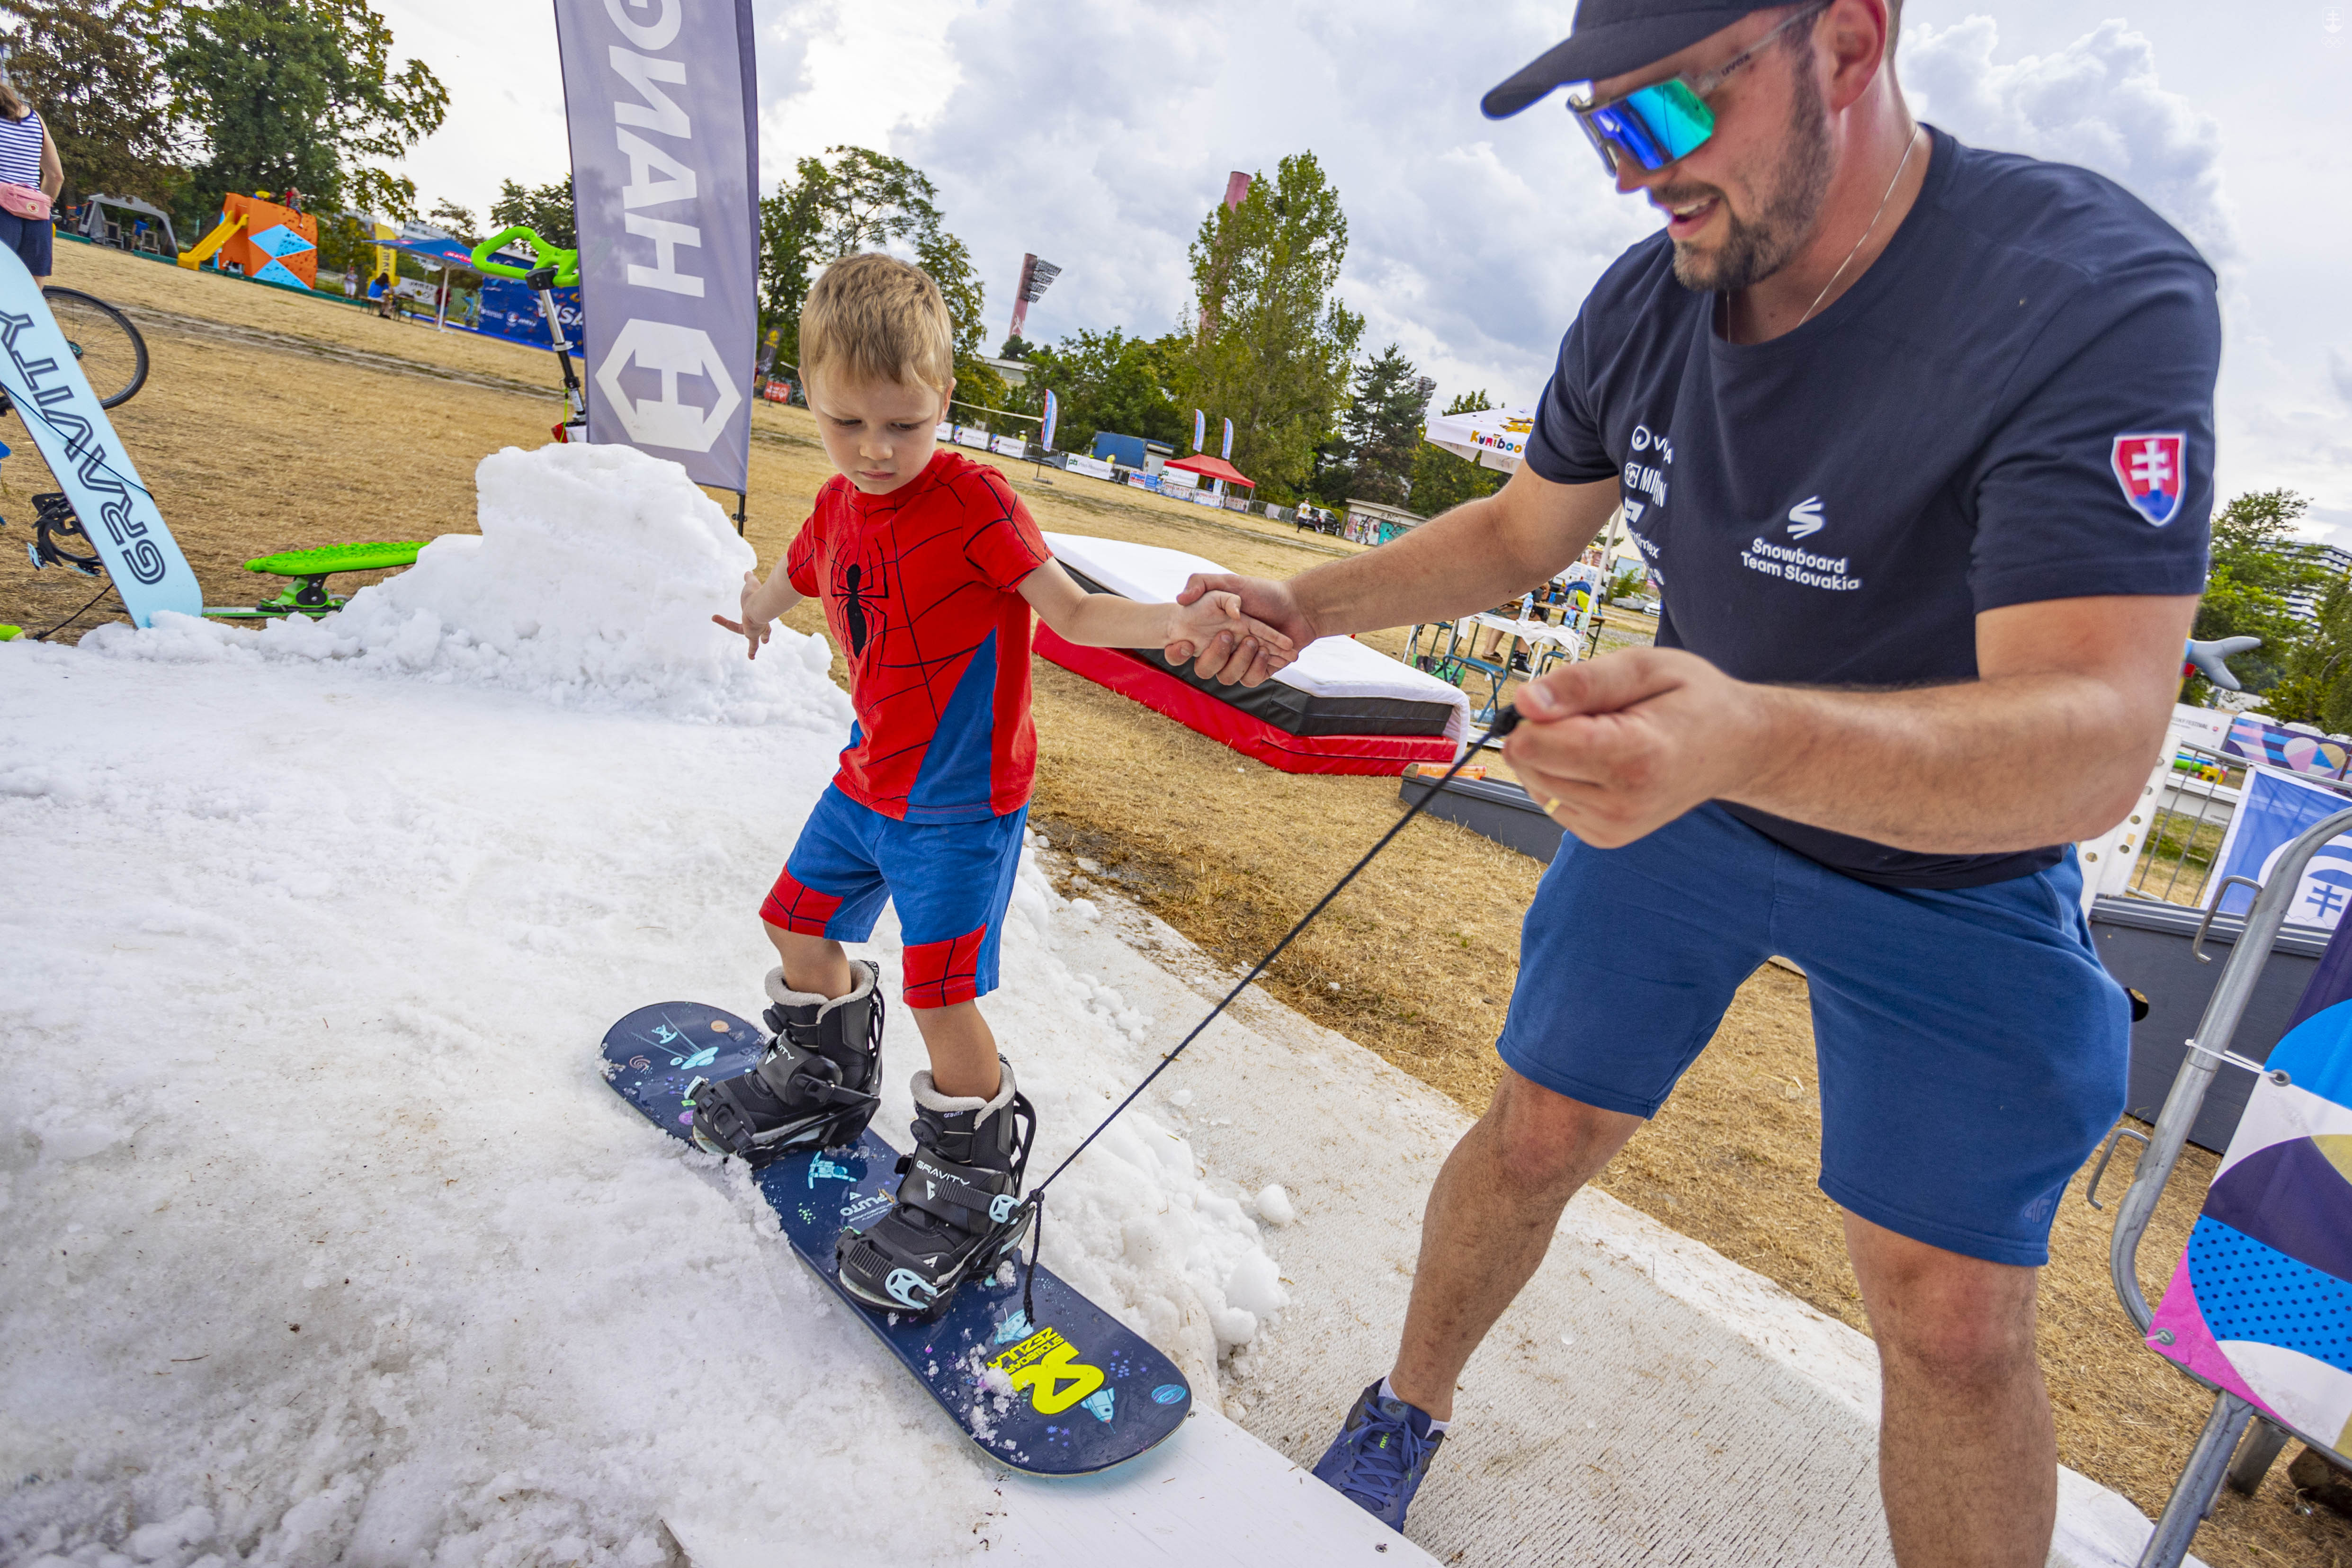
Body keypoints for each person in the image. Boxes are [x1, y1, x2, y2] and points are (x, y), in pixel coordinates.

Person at [1168, 2, 2216, 1561]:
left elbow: (2092, 735)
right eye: (1605, 129)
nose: (1624, 174)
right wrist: (1305, 604)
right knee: (1533, 1131)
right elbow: (1526, 530)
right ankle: (1406, 1402)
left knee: (1945, 1318)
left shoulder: (2085, 290)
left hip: (1957, 865)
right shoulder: (1645, 300)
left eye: (1659, 119)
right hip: (1690, 801)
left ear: (1847, 47)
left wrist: (1742, 732)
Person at [700, 252, 1295, 1317]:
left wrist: (1177, 622)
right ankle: (822, 1077)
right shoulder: (838, 506)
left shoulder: (974, 499)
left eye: (903, 424)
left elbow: (1069, 613)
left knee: (939, 989)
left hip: (958, 804)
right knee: (794, 923)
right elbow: (794, 571)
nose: (877, 451)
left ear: (943, 402)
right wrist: (751, 608)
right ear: (805, 396)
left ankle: (970, 1177)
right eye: (848, 425)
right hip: (863, 780)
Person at [0, 78, 63, 285]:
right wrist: (38, 206)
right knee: (31, 303)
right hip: (37, 217)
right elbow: (56, 176)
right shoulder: (35, 118)